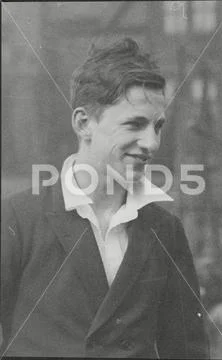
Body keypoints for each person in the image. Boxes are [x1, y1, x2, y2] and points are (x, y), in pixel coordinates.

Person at [1, 38, 210, 358]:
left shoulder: (165, 230)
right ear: (84, 123)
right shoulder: (16, 220)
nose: (152, 143)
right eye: (135, 124)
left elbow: (187, 350)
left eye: (158, 126)